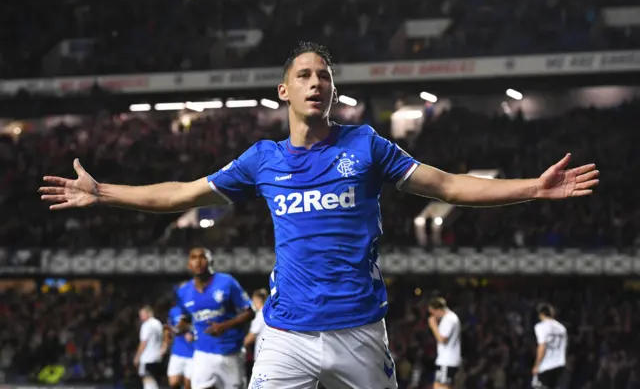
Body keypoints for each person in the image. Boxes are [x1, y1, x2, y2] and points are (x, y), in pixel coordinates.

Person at [40, 41, 599, 388]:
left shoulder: (367, 146)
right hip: (286, 334)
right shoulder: (261, 160)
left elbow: (449, 185)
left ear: (333, 92)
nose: (317, 82)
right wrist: (104, 193)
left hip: (360, 331)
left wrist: (533, 188)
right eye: (306, 75)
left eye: (325, 76)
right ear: (284, 90)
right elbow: (180, 195)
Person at [172, 247, 254, 389]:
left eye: (202, 257)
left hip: (231, 352)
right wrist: (176, 329)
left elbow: (250, 312)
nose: (198, 261)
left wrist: (224, 326)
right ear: (189, 264)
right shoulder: (184, 291)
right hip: (202, 353)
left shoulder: (227, 282)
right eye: (194, 257)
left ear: (211, 261)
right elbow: (185, 319)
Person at [163, 287, 195, 389]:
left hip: (192, 354)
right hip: (177, 352)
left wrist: (193, 335)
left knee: (188, 385)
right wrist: (166, 343)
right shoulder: (173, 311)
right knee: (173, 383)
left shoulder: (195, 309)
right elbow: (169, 328)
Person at [427, 297, 461, 389]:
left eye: (432, 312)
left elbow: (443, 339)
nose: (432, 315)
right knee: (439, 385)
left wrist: (433, 325)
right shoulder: (449, 318)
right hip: (447, 360)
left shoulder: (449, 319)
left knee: (441, 387)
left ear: (438, 309)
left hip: (447, 360)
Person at [532, 303, 567, 389]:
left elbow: (542, 346)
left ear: (541, 314)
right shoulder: (562, 328)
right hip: (560, 365)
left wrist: (537, 365)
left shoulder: (540, 327)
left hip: (546, 366)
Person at [135, 306, 164, 389]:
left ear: (149, 313)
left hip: (147, 357)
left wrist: (137, 356)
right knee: (153, 379)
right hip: (157, 356)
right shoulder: (158, 323)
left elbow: (144, 342)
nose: (140, 317)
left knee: (147, 379)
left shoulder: (146, 325)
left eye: (142, 315)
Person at [243, 288, 268, 358]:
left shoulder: (260, 314)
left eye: (253, 300)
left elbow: (252, 335)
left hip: (261, 354)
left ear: (258, 299)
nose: (253, 302)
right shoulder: (268, 312)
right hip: (266, 352)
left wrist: (240, 346)